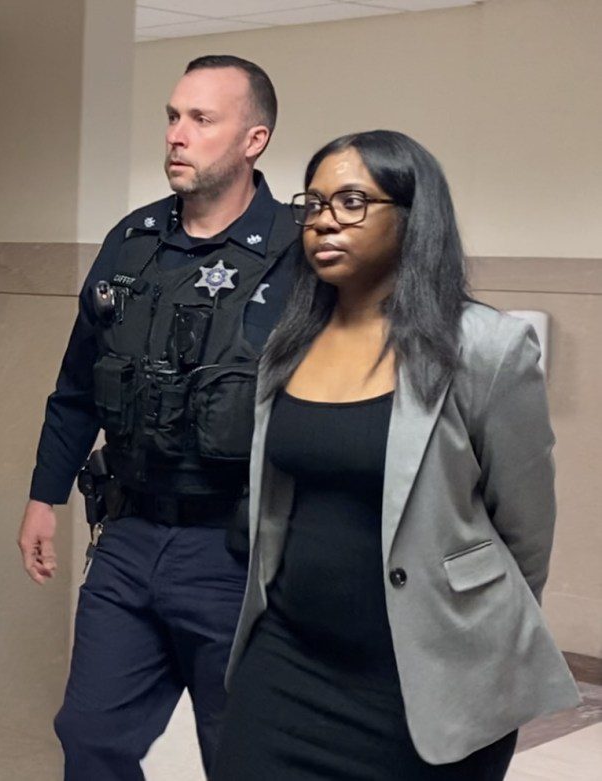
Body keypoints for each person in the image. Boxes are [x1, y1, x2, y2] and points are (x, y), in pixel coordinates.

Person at [211, 130, 581, 780]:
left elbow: (526, 529)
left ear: (412, 217)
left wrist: (478, 641)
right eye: (315, 202)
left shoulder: (484, 348)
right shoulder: (288, 344)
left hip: (427, 683)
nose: (324, 219)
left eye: (352, 201)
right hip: (288, 660)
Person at [17, 55, 300, 779]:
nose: (177, 134)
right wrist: (44, 495)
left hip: (237, 551)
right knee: (90, 737)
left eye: (201, 119)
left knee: (242, 753)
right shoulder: (132, 242)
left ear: (253, 139)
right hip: (131, 532)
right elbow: (79, 382)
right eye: (173, 116)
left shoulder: (300, 255)